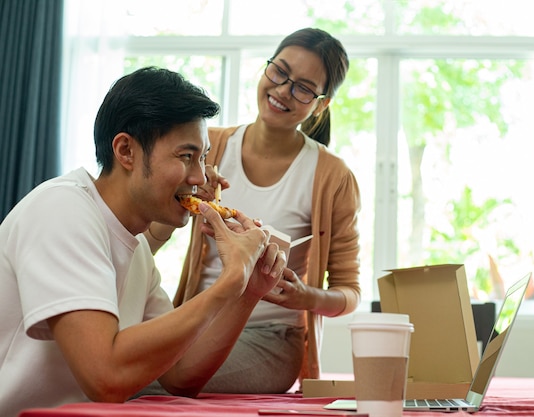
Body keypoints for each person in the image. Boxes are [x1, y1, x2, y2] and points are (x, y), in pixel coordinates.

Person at [0, 67, 286, 417]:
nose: (200, 177)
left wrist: (248, 292)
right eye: (186, 156)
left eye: (204, 157)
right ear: (126, 151)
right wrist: (229, 281)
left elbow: (182, 375)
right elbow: (106, 377)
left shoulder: (135, 250)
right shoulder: (62, 209)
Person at [145, 28, 361, 394]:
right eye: (279, 72)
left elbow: (349, 292)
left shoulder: (332, 176)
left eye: (304, 88)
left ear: (320, 104)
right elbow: (147, 238)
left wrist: (304, 297)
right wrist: (184, 202)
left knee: (145, 382)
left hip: (272, 339)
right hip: (197, 318)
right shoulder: (208, 146)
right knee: (110, 366)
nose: (282, 91)